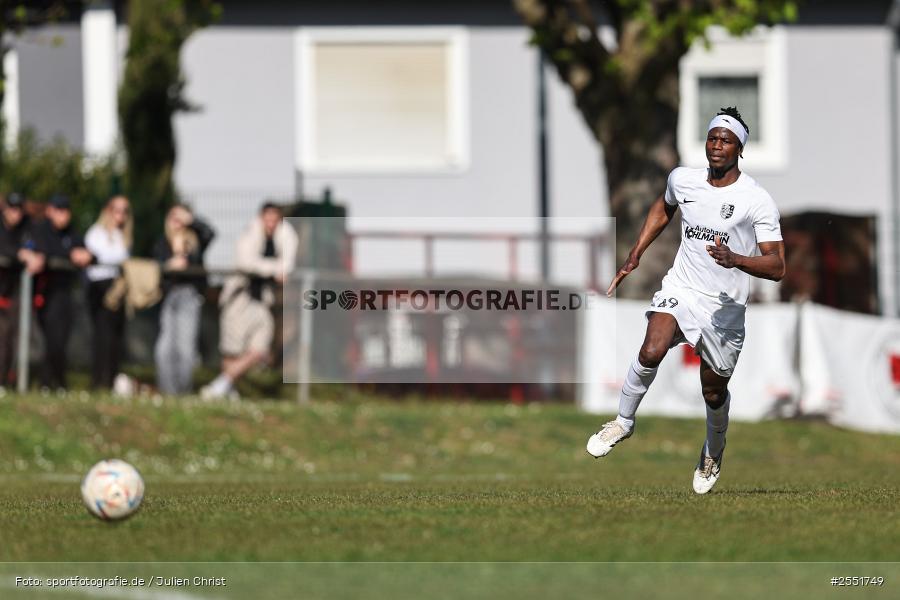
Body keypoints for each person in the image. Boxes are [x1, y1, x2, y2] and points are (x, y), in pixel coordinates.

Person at [586, 107, 785, 495]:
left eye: (726, 140)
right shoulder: (684, 179)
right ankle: (623, 422)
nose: (716, 145)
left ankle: (714, 448)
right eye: (712, 137)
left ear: (739, 149)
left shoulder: (756, 200)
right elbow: (664, 206)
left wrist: (736, 259)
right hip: (683, 288)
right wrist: (635, 253)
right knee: (651, 348)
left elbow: (777, 265)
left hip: (725, 307)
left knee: (712, 390)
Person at [201, 202, 298, 400]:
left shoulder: (285, 236)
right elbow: (247, 262)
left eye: (275, 220)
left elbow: (287, 265)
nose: (270, 224)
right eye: (267, 219)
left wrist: (275, 268)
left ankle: (221, 384)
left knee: (260, 349)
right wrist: (273, 268)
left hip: (262, 301)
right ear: (261, 218)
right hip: (239, 297)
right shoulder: (250, 233)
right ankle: (228, 390)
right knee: (232, 350)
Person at [153, 204, 215, 394]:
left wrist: (190, 220)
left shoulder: (195, 241)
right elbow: (155, 268)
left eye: (181, 218)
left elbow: (210, 233)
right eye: (173, 217)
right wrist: (169, 265)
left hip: (189, 296)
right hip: (169, 296)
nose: (177, 221)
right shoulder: (162, 243)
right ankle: (168, 393)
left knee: (185, 349)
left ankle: (182, 392)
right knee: (164, 349)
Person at [33, 194, 93, 390]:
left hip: (66, 293)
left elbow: (86, 252)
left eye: (65, 210)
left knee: (62, 338)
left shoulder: (72, 233)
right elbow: (45, 250)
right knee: (53, 339)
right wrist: (70, 254)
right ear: (50, 211)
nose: (62, 215)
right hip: (46, 293)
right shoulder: (41, 230)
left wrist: (85, 255)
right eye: (58, 210)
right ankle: (50, 383)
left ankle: (55, 383)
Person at [84, 195, 132, 390]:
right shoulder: (96, 233)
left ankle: (111, 379)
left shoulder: (124, 236)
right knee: (102, 336)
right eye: (116, 210)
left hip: (118, 286)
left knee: (115, 337)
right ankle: (99, 380)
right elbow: (101, 257)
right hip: (100, 286)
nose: (120, 215)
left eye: (125, 211)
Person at [0, 192, 44, 388]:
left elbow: (40, 246)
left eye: (18, 209)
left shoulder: (29, 226)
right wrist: (19, 253)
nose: (15, 214)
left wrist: (38, 256)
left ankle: (13, 381)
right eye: (12, 208)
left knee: (17, 338)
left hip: (17, 291)